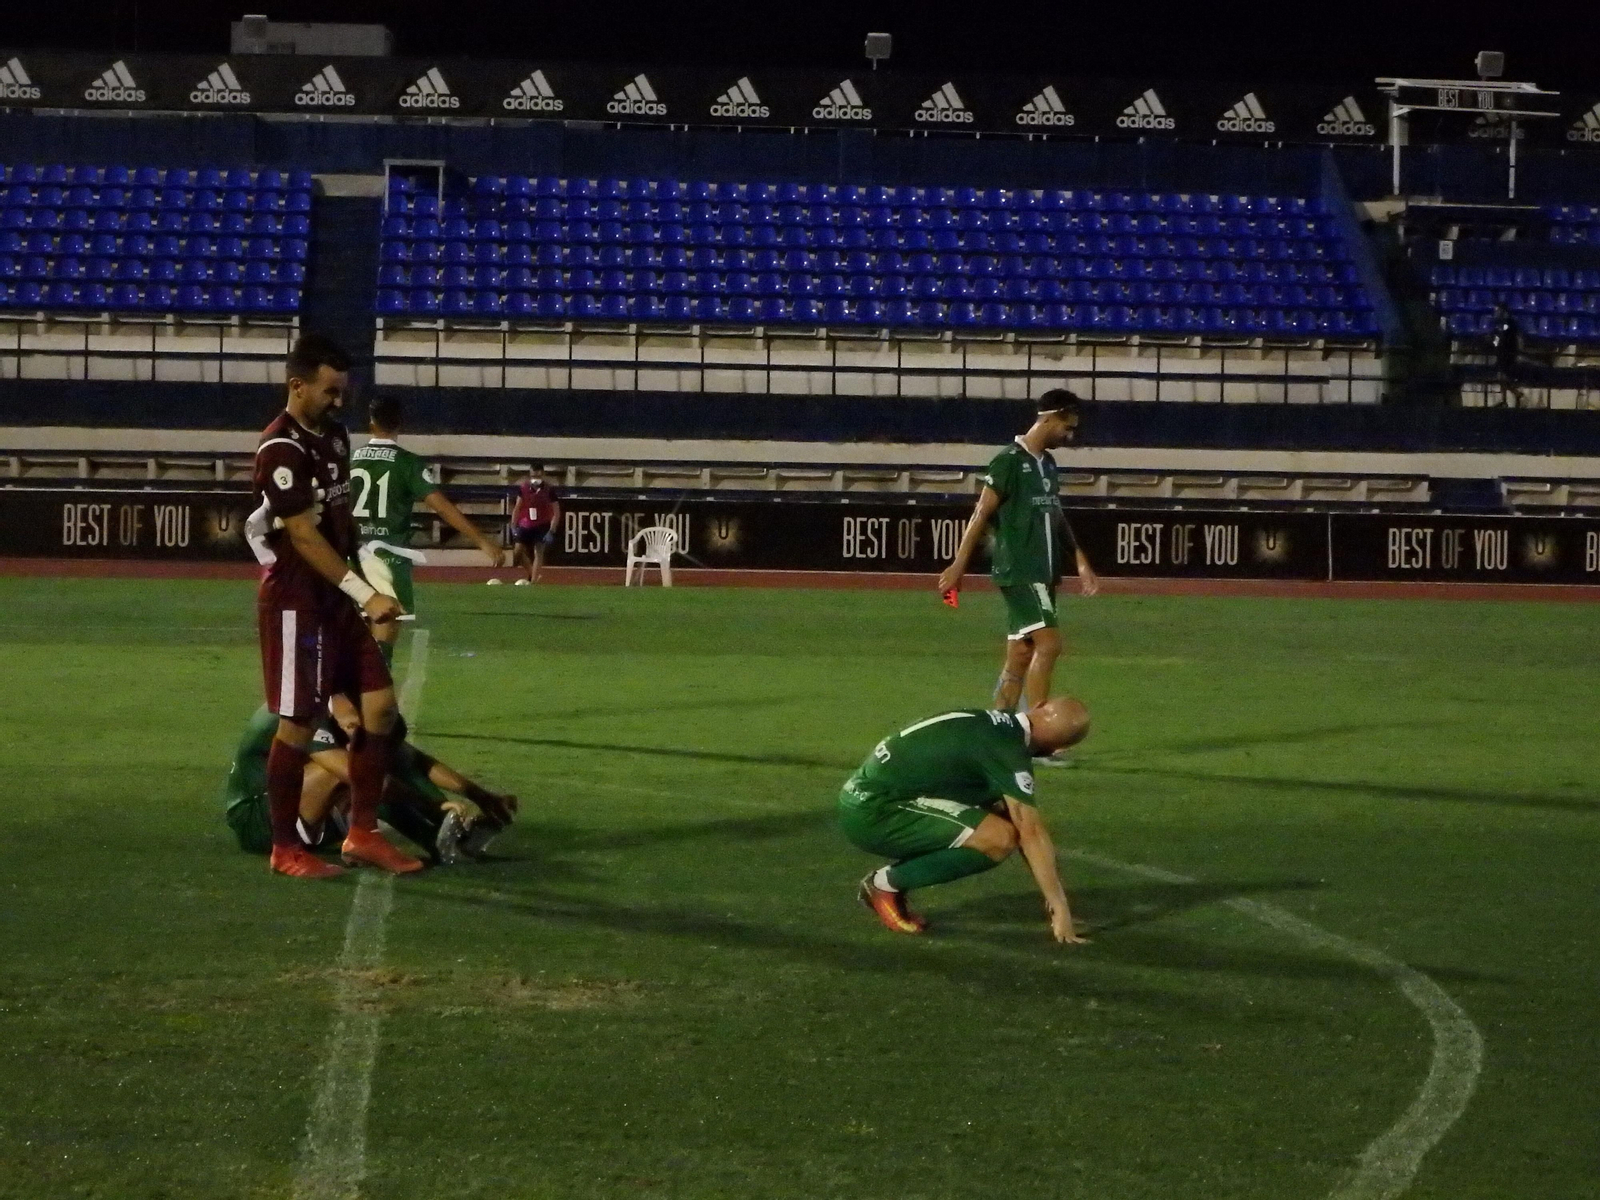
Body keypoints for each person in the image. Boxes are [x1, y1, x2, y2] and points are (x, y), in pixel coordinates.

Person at [247, 332, 417, 879]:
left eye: (343, 391)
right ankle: (284, 847)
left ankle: (362, 833)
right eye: (329, 391)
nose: (339, 401)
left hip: (338, 601)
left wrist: (363, 579)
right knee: (296, 724)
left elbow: (340, 525)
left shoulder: (337, 439)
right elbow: (302, 534)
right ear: (296, 386)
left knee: (381, 710)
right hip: (299, 604)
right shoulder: (280, 449)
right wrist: (365, 592)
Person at [840, 698, 1092, 942]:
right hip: (875, 813)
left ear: (1037, 706)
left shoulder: (992, 723)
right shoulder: (1007, 750)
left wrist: (1052, 900)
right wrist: (1060, 908)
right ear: (1060, 750)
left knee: (997, 815)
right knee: (998, 839)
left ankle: (886, 883)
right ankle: (884, 885)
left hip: (865, 800)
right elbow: (1031, 832)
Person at [936, 391, 1099, 732]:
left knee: (1021, 655)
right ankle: (1039, 734)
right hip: (1023, 570)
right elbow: (981, 514)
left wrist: (1080, 560)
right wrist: (958, 566)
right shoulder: (1008, 461)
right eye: (1067, 427)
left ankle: (998, 730)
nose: (1069, 436)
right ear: (1049, 418)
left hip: (1045, 571)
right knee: (1049, 645)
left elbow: (1055, 515)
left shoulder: (1048, 464)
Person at [223, 697, 518, 866]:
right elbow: (366, 781)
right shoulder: (304, 711)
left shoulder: (340, 708)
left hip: (301, 807)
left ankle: (444, 841)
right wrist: (434, 805)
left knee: (374, 764)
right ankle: (438, 834)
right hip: (259, 821)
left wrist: (481, 795)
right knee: (360, 775)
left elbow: (415, 760)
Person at [350, 394, 504, 665]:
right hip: (387, 558)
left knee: (354, 632)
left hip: (349, 556)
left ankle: (347, 700)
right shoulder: (407, 463)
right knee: (384, 629)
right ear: (400, 424)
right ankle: (377, 699)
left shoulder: (350, 460)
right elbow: (441, 506)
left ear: (370, 423)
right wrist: (482, 540)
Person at [508, 471, 562, 585]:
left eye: (538, 476)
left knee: (539, 551)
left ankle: (533, 582)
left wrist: (552, 530)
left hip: (542, 524)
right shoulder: (524, 488)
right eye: (533, 476)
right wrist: (513, 525)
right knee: (517, 551)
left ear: (542, 475)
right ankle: (532, 573)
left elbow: (556, 511)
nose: (535, 479)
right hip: (525, 523)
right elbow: (517, 507)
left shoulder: (549, 490)